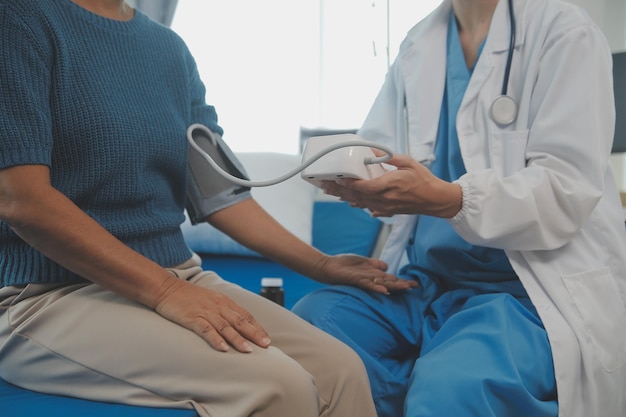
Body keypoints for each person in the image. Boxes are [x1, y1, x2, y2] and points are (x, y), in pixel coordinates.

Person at [0, 1, 417, 416]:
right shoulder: (18, 20)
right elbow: (23, 201)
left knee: (341, 369)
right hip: (50, 294)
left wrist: (321, 266)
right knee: (277, 386)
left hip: (178, 275)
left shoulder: (168, 49)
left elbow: (219, 195)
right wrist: (167, 292)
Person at [292, 0, 626, 416]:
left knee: (452, 388)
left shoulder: (563, 30)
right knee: (313, 328)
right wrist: (364, 182)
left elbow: (566, 189)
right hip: (425, 282)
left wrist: (451, 200)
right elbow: (378, 148)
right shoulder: (419, 43)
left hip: (526, 290)